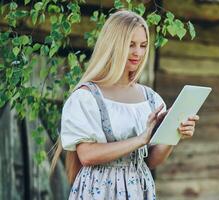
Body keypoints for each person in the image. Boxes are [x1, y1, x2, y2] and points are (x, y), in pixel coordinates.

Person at [50, 10, 199, 199]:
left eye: (143, 45)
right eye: (131, 45)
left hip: (138, 188)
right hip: (99, 190)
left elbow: (151, 160)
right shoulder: (87, 97)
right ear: (113, 45)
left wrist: (174, 133)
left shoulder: (150, 98)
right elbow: (87, 155)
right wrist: (139, 140)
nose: (138, 52)